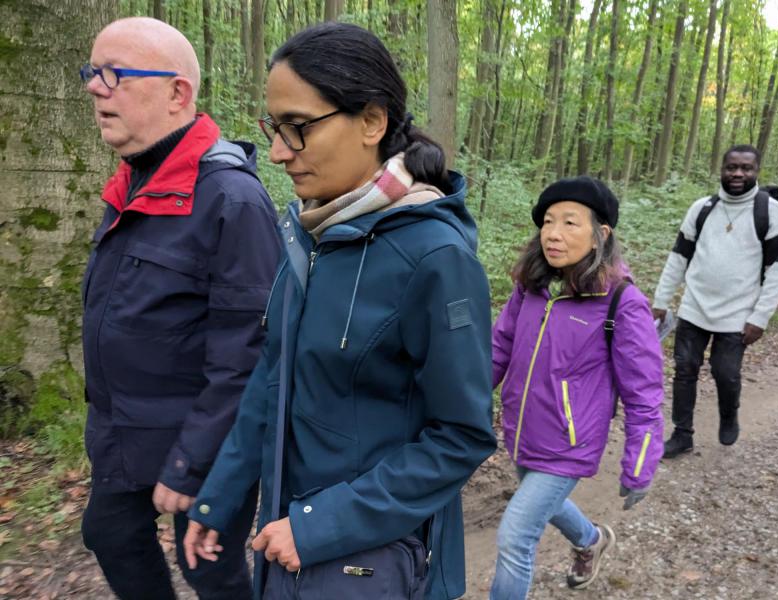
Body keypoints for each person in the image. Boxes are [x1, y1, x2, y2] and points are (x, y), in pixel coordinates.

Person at [181, 22, 496, 600]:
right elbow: (271, 381)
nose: (277, 153)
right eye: (274, 128)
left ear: (372, 122)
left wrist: (321, 526)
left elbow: (461, 437)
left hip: (372, 565)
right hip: (284, 544)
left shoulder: (435, 257)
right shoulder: (311, 237)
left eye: (298, 128)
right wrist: (219, 496)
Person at [79, 17, 280, 600]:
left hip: (203, 440)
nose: (96, 87)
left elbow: (249, 348)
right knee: (110, 532)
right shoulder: (131, 186)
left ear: (177, 94)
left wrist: (193, 461)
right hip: (124, 434)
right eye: (92, 73)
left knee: (209, 567)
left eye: (114, 74)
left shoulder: (231, 199)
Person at [489, 176, 664, 599]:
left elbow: (644, 393)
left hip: (570, 441)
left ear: (600, 234)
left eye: (570, 223)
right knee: (542, 503)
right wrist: (460, 398)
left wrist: (639, 464)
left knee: (515, 536)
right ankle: (590, 541)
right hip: (522, 427)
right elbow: (499, 347)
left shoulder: (622, 302)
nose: (553, 233)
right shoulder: (532, 287)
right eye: (548, 221)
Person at [653, 144, 778, 458]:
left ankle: (729, 414)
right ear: (722, 168)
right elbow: (679, 256)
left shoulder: (770, 211)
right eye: (732, 167)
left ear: (757, 171)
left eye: (746, 168)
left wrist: (760, 317)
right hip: (694, 306)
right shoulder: (702, 208)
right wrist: (662, 299)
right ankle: (682, 434)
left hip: (739, 313)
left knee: (725, 372)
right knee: (685, 369)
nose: (738, 173)